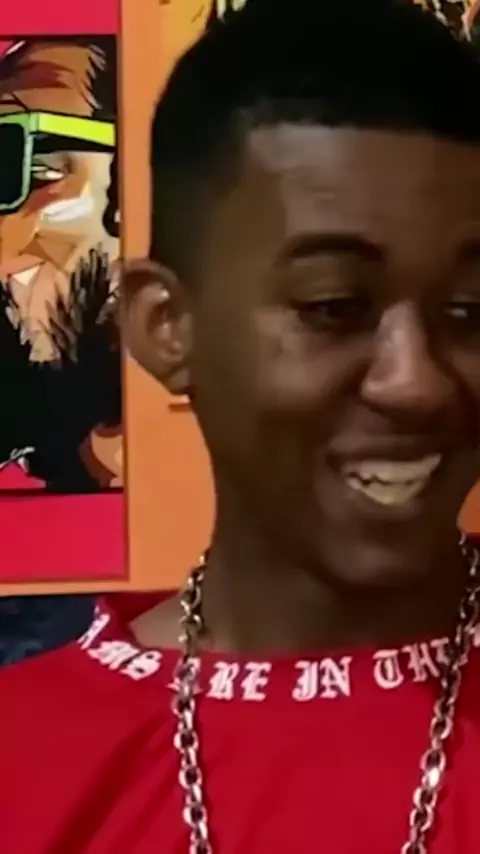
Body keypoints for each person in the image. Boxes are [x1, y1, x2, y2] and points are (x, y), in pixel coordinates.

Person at [3, 0, 480, 850]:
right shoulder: (26, 766)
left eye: (471, 310)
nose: (418, 384)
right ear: (166, 327)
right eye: (334, 305)